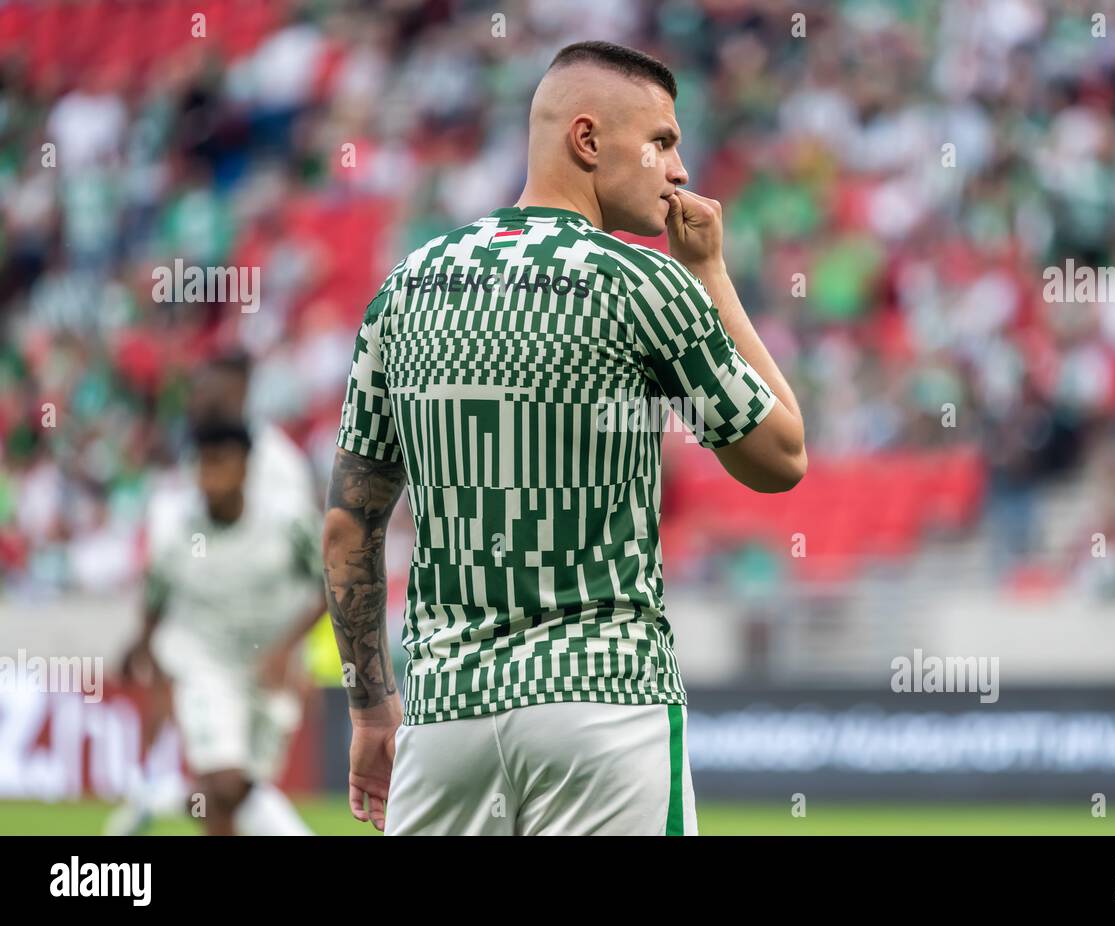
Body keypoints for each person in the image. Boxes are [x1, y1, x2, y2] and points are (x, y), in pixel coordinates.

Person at [323, 40, 806, 836]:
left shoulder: (403, 291)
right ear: (587, 140)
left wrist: (373, 711)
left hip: (446, 722)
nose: (679, 170)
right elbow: (781, 457)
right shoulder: (645, 284)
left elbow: (349, 524)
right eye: (662, 142)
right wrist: (711, 274)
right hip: (605, 707)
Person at [122, 420, 325, 836]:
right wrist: (140, 649)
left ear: (247, 467)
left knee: (235, 793)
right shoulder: (179, 533)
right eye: (201, 463)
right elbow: (155, 599)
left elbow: (333, 586)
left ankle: (163, 798)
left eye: (220, 462)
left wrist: (290, 651)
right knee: (224, 781)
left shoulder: (288, 525)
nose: (208, 474)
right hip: (204, 661)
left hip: (266, 664)